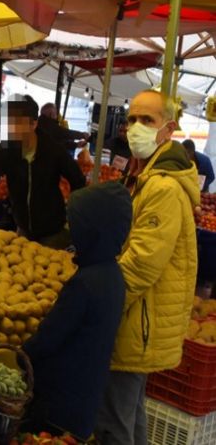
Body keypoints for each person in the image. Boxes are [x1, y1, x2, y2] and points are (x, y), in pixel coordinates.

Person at [94, 90, 199, 445]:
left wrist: (102, 304)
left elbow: (142, 263)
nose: (136, 128)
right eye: (132, 120)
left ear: (168, 130)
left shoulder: (164, 187)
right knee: (130, 412)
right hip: (142, 316)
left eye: (147, 120)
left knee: (114, 421)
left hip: (138, 317)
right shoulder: (149, 176)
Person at [22, 182, 132, 441]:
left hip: (59, 403)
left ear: (92, 231)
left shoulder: (84, 284)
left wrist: (20, 354)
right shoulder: (114, 275)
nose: (71, 230)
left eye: (77, 224)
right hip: (85, 399)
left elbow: (49, 337)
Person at [0, 98, 86, 248]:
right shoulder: (6, 149)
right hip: (23, 229)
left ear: (34, 124)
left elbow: (78, 180)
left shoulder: (52, 150)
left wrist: (73, 219)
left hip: (53, 233)